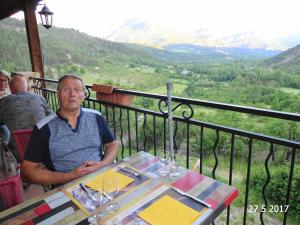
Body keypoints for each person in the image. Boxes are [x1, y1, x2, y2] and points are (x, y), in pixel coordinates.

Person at [21, 74, 118, 185]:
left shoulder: (96, 117)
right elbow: (28, 170)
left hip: (100, 178)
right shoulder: (43, 128)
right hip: (66, 187)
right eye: (66, 89)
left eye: (77, 89)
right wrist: (69, 176)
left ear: (83, 95)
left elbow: (112, 144)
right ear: (58, 94)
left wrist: (102, 164)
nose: (72, 94)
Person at [0, 76, 52, 159]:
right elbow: (52, 118)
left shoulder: (4, 102)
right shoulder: (40, 98)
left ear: (10, 89)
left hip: (19, 152)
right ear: (27, 87)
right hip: (45, 148)